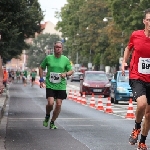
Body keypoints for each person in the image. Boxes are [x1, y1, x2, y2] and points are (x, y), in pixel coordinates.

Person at [121, 8, 150, 150]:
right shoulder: (136, 35)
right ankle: (137, 127)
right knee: (142, 104)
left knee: (149, 114)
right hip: (137, 76)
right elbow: (128, 48)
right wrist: (123, 62)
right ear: (144, 21)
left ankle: (142, 142)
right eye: (148, 20)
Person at [39, 41, 73, 129]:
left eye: (59, 47)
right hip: (50, 84)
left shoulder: (65, 59)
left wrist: (65, 74)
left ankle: (52, 122)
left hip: (61, 85)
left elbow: (71, 71)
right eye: (56, 47)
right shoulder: (48, 58)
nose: (58, 48)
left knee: (58, 104)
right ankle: (47, 116)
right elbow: (41, 67)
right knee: (50, 103)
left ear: (62, 49)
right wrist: (41, 79)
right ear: (54, 49)